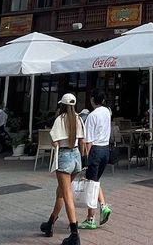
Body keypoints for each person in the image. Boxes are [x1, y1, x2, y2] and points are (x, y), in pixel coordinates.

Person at [41, 93, 86, 245]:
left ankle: (74, 234)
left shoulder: (60, 120)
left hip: (65, 156)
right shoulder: (78, 118)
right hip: (76, 157)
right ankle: (50, 223)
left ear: (62, 105)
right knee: (60, 192)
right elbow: (82, 141)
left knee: (66, 195)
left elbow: (54, 142)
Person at [78, 91, 113, 230]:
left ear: (92, 99)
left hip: (96, 150)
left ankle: (90, 219)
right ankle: (103, 206)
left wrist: (85, 158)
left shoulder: (92, 116)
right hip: (106, 150)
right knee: (95, 181)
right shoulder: (107, 111)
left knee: (91, 185)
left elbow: (88, 141)